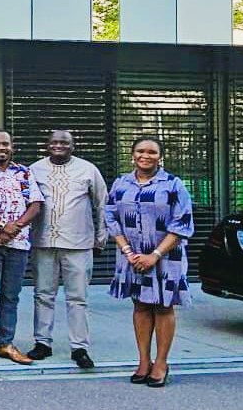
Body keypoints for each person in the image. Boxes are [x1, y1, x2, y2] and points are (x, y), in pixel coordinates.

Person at [106, 137, 193, 388]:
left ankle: (161, 363)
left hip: (166, 256)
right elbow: (111, 218)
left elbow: (182, 224)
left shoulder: (174, 185)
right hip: (131, 255)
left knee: (163, 307)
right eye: (141, 151)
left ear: (160, 156)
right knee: (141, 306)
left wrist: (154, 255)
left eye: (152, 152)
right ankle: (143, 361)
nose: (146, 155)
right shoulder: (121, 183)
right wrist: (127, 251)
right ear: (132, 155)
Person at [28, 129, 107, 369]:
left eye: (64, 142)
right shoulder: (34, 169)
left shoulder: (88, 169)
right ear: (47, 145)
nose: (59, 146)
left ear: (73, 145)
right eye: (54, 142)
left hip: (79, 243)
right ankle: (42, 342)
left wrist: (101, 238)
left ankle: (79, 347)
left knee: (78, 298)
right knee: (43, 294)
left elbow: (102, 203)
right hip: (44, 242)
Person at [0, 130, 41, 365]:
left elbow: (35, 204)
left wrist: (15, 227)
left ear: (12, 146)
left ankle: (6, 343)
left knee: (11, 295)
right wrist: (2, 225)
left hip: (19, 243)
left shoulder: (23, 172)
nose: (1, 148)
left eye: (5, 144)